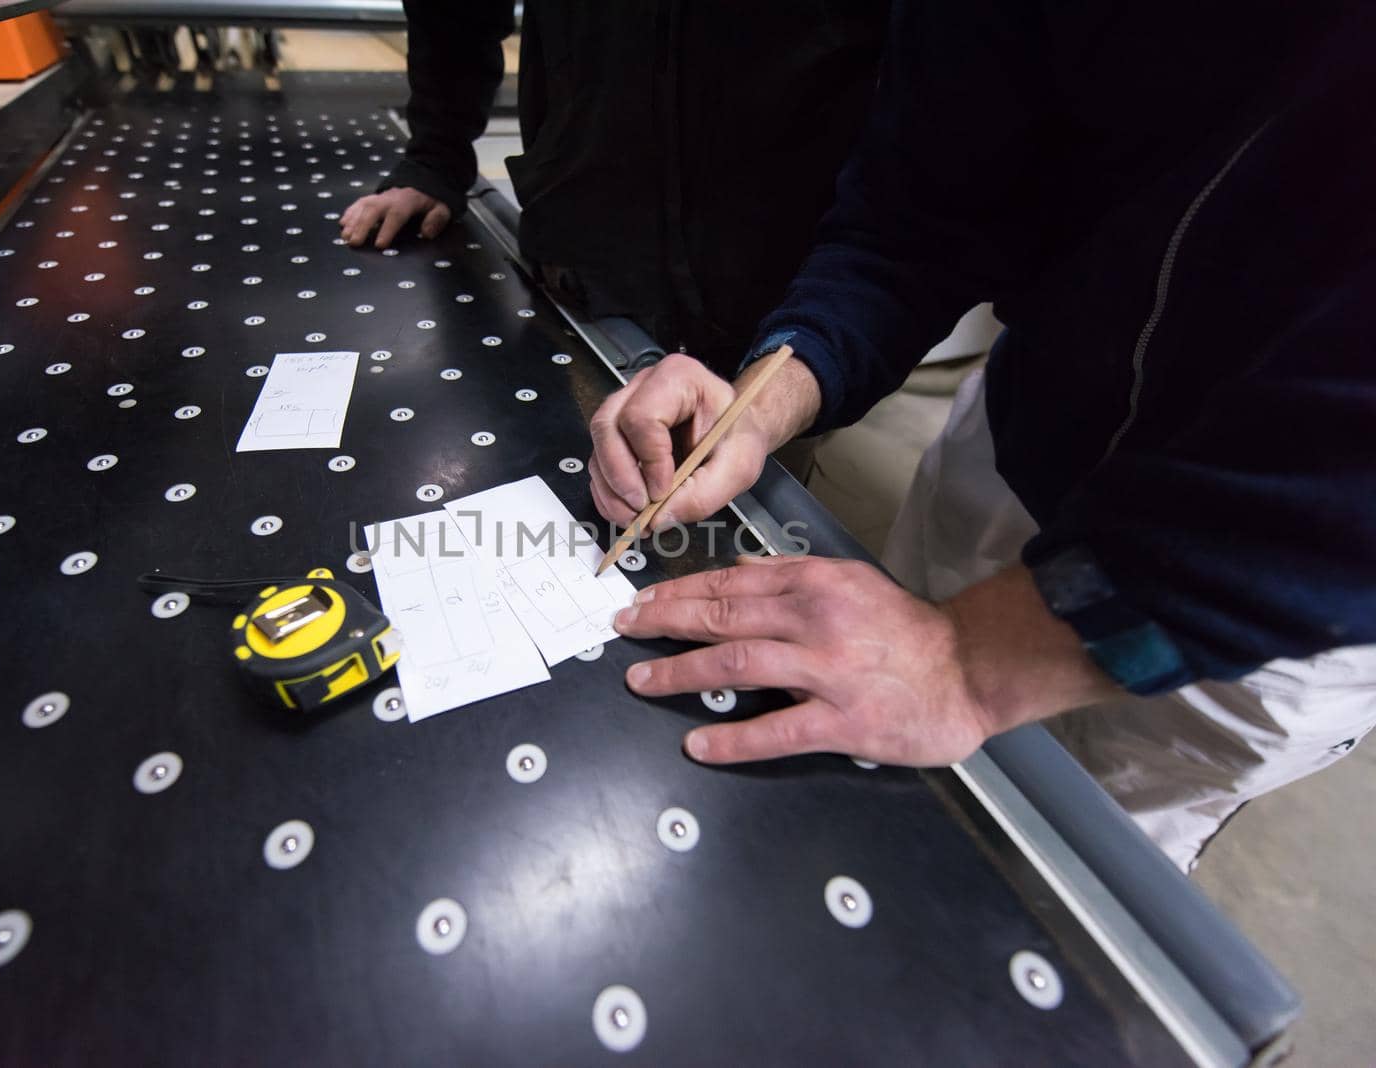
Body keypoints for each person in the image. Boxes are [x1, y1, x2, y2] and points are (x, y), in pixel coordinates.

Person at [589, 0, 1376, 871]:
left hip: (1273, 598)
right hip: (1013, 446)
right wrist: (765, 398)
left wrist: (966, 657)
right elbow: (913, 220)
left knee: (1078, 877)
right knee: (862, 785)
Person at [339, 1, 888, 381]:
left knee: (749, 522)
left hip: (788, 279)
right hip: (582, 249)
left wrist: (813, 349)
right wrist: (436, 150)